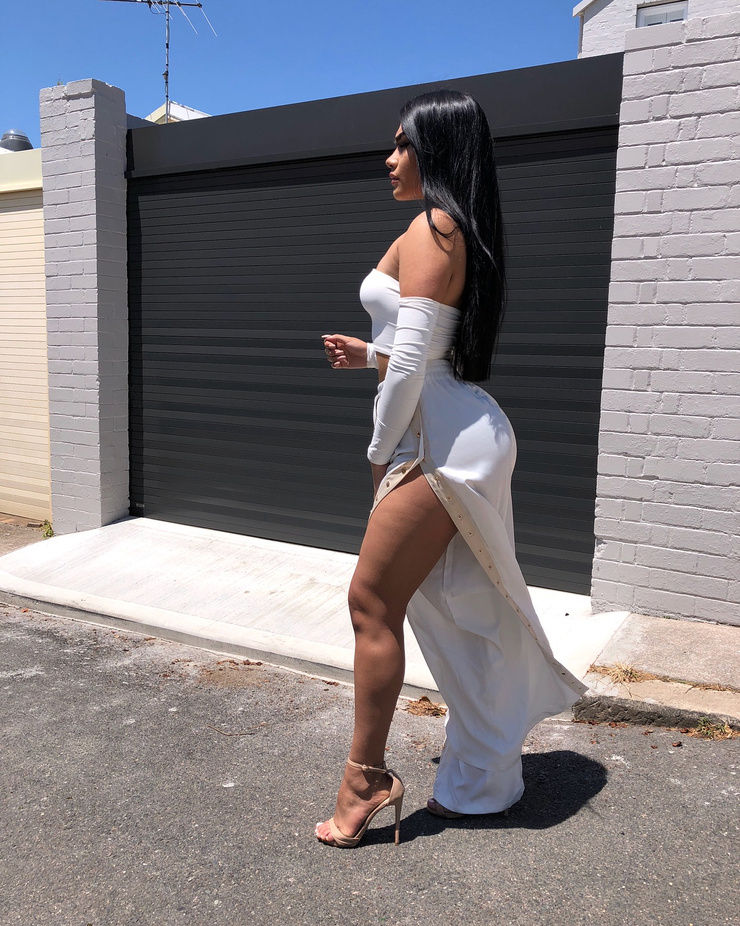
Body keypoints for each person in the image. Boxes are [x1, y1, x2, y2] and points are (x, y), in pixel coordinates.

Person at [316, 90, 586, 848]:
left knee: (372, 602)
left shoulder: (434, 226)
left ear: (437, 150)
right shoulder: (443, 227)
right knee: (461, 608)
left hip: (439, 441)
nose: (389, 158)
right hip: (449, 427)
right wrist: (367, 356)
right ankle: (482, 779)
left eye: (403, 144)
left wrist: (379, 455)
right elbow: (412, 348)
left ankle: (365, 779)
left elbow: (410, 368)